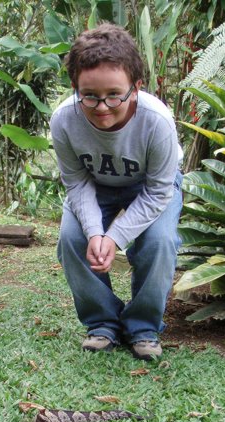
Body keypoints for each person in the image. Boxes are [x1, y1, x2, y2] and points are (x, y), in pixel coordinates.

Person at [50, 23, 183, 360]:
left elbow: (158, 191)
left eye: (114, 95)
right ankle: (103, 323)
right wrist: (95, 232)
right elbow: (77, 182)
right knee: (72, 239)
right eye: (89, 95)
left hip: (150, 186)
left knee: (159, 242)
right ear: (75, 87)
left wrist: (115, 238)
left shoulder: (157, 121)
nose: (102, 106)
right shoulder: (64, 120)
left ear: (136, 88)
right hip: (95, 184)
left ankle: (143, 327)